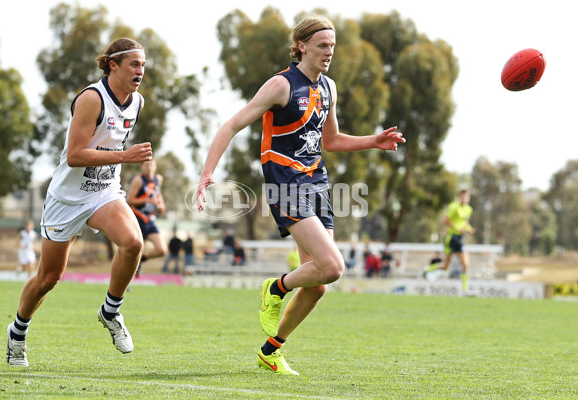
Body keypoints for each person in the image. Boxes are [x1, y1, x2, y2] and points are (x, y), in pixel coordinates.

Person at [196, 15, 405, 375]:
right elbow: (231, 124)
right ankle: (275, 289)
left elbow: (331, 141)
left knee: (319, 283)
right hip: (285, 183)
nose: (329, 53)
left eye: (333, 47)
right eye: (322, 45)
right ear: (301, 46)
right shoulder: (280, 85)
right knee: (333, 267)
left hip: (318, 184)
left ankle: (270, 350)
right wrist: (207, 172)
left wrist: (374, 141)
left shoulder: (329, 88)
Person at [6, 38, 150, 367]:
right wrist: (126, 156)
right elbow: (74, 156)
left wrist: (119, 163)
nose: (140, 70)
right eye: (134, 64)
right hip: (67, 198)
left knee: (133, 243)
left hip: (104, 192)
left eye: (143, 64)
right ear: (113, 65)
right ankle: (17, 332)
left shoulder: (137, 101)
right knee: (48, 278)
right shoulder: (91, 98)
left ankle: (110, 311)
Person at [127, 158, 168, 276]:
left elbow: (158, 193)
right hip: (137, 220)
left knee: (162, 250)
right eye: (146, 165)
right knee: (131, 253)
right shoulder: (138, 180)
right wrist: (146, 200)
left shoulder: (158, 179)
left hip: (149, 221)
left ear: (155, 166)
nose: (148, 167)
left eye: (151, 165)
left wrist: (161, 205)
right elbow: (129, 200)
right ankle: (124, 284)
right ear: (142, 167)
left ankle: (141, 260)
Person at [440, 189, 475, 293]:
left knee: (448, 266)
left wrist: (469, 229)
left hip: (459, 238)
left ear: (468, 198)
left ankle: (465, 290)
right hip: (452, 237)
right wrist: (457, 229)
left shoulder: (469, 209)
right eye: (462, 197)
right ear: (459, 197)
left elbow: (465, 223)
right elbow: (446, 221)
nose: (464, 199)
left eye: (466, 197)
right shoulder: (453, 207)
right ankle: (465, 290)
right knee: (462, 264)